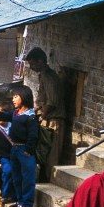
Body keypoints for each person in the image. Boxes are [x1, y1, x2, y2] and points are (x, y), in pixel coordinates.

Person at [24, 47, 64, 178]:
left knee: (52, 154)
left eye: (33, 64)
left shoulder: (48, 76)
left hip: (54, 120)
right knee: (43, 152)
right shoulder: (43, 75)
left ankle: (51, 180)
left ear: (41, 61)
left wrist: (42, 117)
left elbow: (52, 102)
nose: (32, 67)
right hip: (47, 119)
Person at [0, 85, 39, 207]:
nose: (13, 99)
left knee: (27, 177)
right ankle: (19, 199)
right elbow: (2, 117)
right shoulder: (15, 113)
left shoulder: (30, 116)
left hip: (24, 150)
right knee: (17, 176)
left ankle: (26, 202)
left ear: (24, 97)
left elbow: (33, 135)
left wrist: (29, 150)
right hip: (14, 148)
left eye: (16, 96)